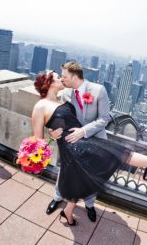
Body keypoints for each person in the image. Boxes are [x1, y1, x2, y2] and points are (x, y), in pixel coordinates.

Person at [32, 71, 147, 226]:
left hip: (83, 142)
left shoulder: (62, 98)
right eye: (57, 77)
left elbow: (65, 119)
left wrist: (55, 130)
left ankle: (68, 212)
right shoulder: (40, 106)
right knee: (119, 154)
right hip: (73, 149)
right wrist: (51, 134)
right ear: (48, 83)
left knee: (85, 178)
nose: (61, 79)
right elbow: (38, 140)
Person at [45, 61, 111, 222]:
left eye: (65, 76)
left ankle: (89, 205)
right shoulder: (66, 94)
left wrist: (84, 131)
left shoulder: (98, 90)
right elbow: (58, 115)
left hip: (95, 141)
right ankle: (58, 197)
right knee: (65, 171)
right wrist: (51, 130)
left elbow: (105, 119)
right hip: (72, 143)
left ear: (75, 77)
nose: (62, 79)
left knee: (90, 175)